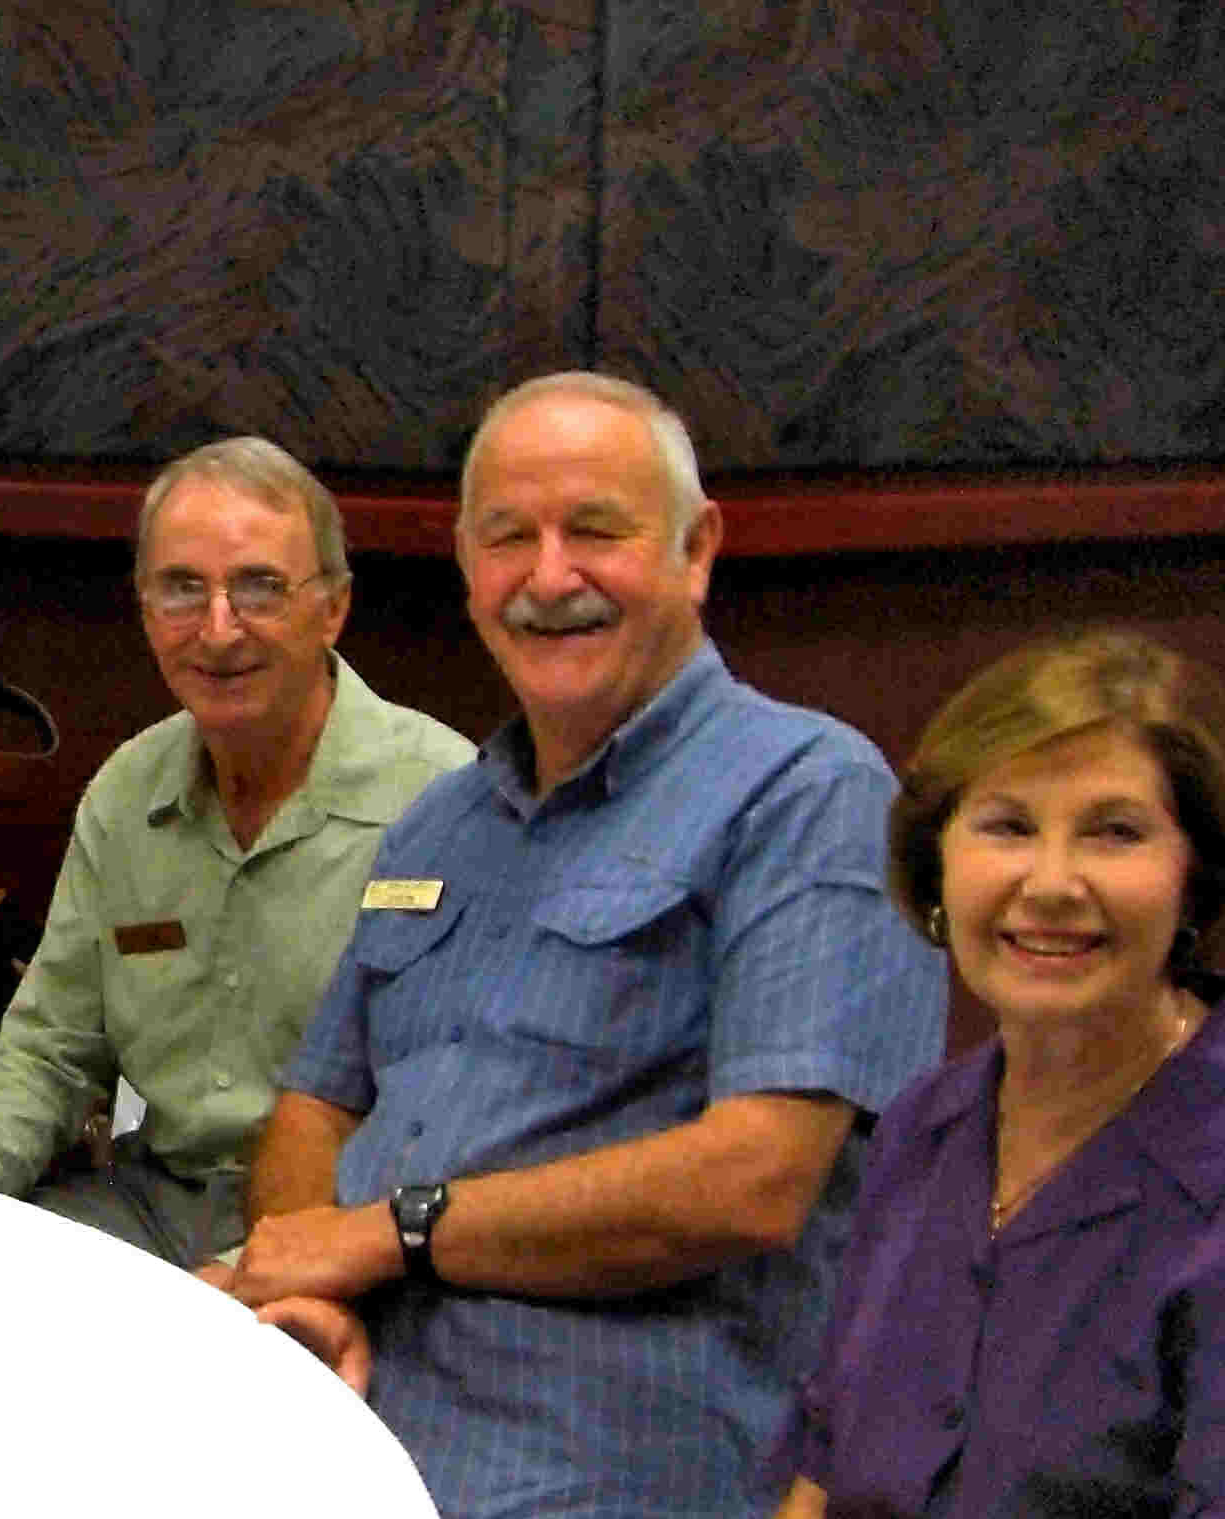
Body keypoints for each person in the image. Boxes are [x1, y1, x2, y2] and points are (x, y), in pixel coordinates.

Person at [222, 372, 945, 1515]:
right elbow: (320, 1103)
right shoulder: (440, 821)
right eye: (509, 538)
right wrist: (324, 1290)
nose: (548, 578)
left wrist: (391, 1235)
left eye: (594, 531)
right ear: (466, 566)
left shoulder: (812, 794)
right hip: (340, 1392)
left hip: (593, 1448)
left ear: (697, 549)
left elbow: (753, 1181)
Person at [0, 437, 471, 1267]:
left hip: (355, 1227)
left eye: (259, 587)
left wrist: (298, 1261)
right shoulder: (126, 795)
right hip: (151, 1210)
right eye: (183, 590)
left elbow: (468, 1103)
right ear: (145, 610)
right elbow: (48, 1053)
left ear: (333, 607)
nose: (219, 630)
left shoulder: (442, 799)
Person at [775, 630, 1225, 1516]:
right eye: (1009, 825)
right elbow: (820, 1479)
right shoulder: (921, 1127)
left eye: (1115, 832)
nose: (1051, 882)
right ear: (938, 862)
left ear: (1196, 883)